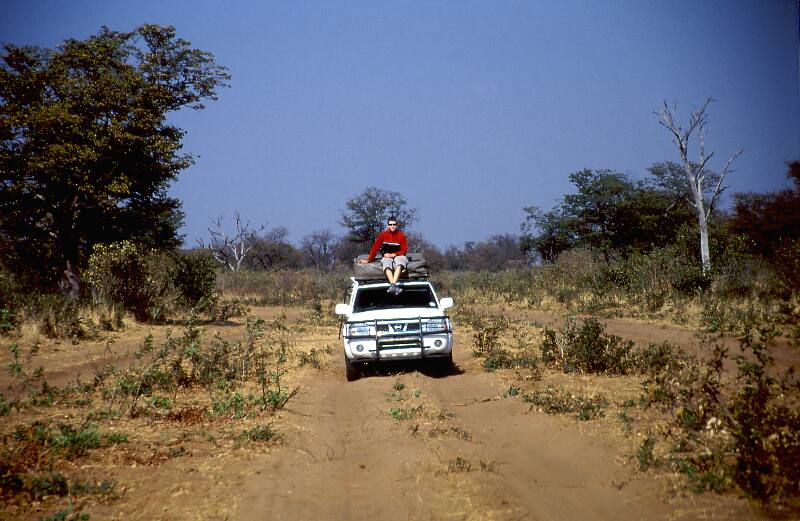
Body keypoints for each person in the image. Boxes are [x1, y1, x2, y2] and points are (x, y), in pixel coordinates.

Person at [358, 217, 408, 294]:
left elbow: (404, 250)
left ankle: (392, 285)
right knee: (386, 263)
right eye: (390, 224)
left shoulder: (401, 235)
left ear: (396, 225)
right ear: (387, 225)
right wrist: (369, 260)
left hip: (398, 255)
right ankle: (393, 286)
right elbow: (375, 247)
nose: (392, 226)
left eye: (394, 224)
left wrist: (393, 254)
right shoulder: (383, 235)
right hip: (386, 256)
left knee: (400, 262)